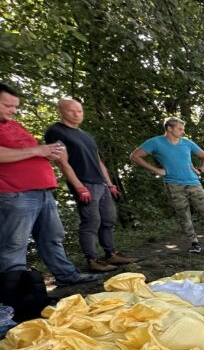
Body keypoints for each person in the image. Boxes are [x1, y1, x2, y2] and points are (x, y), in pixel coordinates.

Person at [0, 83, 101, 286]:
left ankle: (66, 275)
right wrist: (38, 151)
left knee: (52, 236)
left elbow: (31, 152)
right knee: (14, 244)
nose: (14, 110)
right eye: (7, 105)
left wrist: (49, 151)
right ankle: (14, 293)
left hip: (42, 191)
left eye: (15, 106)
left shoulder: (13, 125)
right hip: (14, 194)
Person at [44, 98, 137, 273]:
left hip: (101, 184)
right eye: (71, 111)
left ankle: (111, 254)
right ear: (61, 112)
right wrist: (79, 187)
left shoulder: (85, 135)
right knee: (91, 222)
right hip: (84, 183)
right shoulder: (56, 132)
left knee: (108, 219)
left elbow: (98, 161)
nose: (76, 114)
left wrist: (110, 184)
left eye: (79, 111)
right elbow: (62, 163)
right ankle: (92, 260)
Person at [130, 117, 204, 254]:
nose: (183, 131)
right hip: (173, 185)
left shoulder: (187, 143)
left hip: (194, 183)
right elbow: (135, 156)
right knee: (184, 215)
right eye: (180, 128)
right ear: (169, 128)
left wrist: (201, 170)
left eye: (183, 128)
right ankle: (194, 243)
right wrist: (156, 170)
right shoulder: (155, 142)